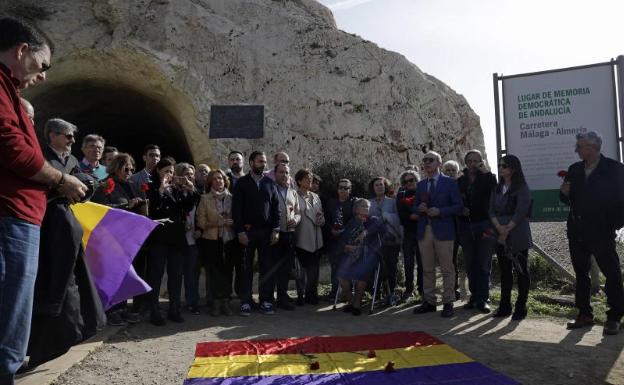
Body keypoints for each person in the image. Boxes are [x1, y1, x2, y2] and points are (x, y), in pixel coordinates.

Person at [0, 17, 86, 384]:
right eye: (43, 64)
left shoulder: (10, 91)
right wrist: (60, 179)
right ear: (22, 51)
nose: (44, 76)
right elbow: (12, 148)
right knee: (10, 306)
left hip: (21, 217)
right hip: (11, 218)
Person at [28, 119, 105, 369]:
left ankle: (69, 334)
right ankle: (40, 346)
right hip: (46, 232)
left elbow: (81, 189)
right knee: (50, 284)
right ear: (52, 136)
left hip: (67, 232)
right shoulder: (39, 158)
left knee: (72, 283)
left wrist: (87, 185)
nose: (73, 141)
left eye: (73, 136)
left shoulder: (70, 162)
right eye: (68, 136)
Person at [561, 131, 624, 335]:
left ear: (592, 147)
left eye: (579, 146)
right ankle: (584, 314)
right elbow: (566, 200)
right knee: (581, 274)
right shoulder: (574, 169)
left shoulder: (614, 169)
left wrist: (613, 225)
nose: (576, 150)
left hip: (602, 232)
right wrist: (563, 194)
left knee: (612, 273)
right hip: (577, 232)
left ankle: (614, 317)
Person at [91, 153, 147, 325]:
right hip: (112, 238)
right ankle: (111, 311)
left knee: (125, 276)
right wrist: (126, 206)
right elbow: (100, 209)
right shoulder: (106, 185)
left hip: (128, 238)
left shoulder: (131, 185)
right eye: (126, 168)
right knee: (114, 275)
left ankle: (122, 309)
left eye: (131, 168)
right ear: (116, 168)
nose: (129, 171)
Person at [145, 157, 198, 325]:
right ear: (158, 171)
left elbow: (187, 207)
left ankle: (173, 309)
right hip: (159, 238)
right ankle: (154, 310)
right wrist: (161, 189)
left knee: (176, 275)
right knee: (156, 275)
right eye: (166, 171)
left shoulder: (176, 189)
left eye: (172, 172)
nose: (170, 175)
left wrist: (191, 190)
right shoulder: (151, 187)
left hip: (176, 238)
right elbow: (153, 208)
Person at [413, 151, 463, 318]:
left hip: (444, 230)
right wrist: (418, 209)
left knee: (447, 268)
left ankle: (448, 302)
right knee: (427, 268)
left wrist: (440, 211)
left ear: (439, 163)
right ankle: (429, 301)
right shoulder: (420, 185)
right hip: (424, 230)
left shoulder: (449, 183)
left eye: (431, 160)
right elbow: (414, 207)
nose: (427, 163)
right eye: (425, 160)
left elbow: (458, 206)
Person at [232, 151, 281, 316]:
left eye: (265, 162)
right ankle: (245, 301)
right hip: (248, 232)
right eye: (260, 161)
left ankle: (265, 300)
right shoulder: (242, 183)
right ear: (251, 163)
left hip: (267, 233)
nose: (264, 164)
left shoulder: (270, 183)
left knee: (266, 267)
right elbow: (236, 210)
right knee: (246, 269)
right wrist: (239, 231)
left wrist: (275, 229)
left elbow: (276, 209)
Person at [489, 154, 532, 321]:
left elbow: (521, 211)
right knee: (505, 271)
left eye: (504, 166)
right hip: (500, 232)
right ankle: (505, 306)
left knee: (521, 270)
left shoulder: (521, 187)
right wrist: (500, 228)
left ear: (513, 168)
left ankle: (521, 306)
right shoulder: (497, 188)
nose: (501, 168)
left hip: (517, 231)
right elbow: (490, 210)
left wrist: (507, 229)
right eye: (499, 165)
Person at [457, 150, 497, 313]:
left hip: (485, 224)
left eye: (476, 161)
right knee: (470, 263)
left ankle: (483, 298)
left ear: (481, 162)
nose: (473, 164)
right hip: (466, 226)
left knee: (483, 262)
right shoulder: (460, 181)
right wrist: (460, 209)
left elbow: (496, 193)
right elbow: (454, 200)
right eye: (470, 161)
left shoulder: (489, 178)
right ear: (466, 162)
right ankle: (474, 296)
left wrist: (486, 172)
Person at [196, 169, 236, 316]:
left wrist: (233, 222)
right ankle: (215, 303)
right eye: (215, 179)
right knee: (214, 273)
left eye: (220, 178)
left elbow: (238, 217)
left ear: (225, 181)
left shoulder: (232, 198)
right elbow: (201, 222)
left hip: (229, 240)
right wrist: (218, 223)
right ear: (210, 182)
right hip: (212, 240)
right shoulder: (205, 199)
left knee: (227, 271)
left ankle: (226, 302)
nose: (218, 181)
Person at [336, 198, 385, 315]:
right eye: (363, 206)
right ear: (356, 209)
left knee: (361, 273)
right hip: (351, 255)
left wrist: (366, 232)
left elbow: (382, 228)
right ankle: (351, 300)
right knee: (341, 275)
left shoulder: (373, 220)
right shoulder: (352, 222)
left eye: (367, 206)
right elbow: (342, 238)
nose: (366, 208)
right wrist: (346, 246)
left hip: (368, 255)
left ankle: (357, 304)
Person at [270, 164, 301, 310]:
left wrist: (296, 219)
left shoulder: (293, 193)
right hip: (273, 234)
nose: (284, 175)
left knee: (285, 268)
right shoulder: (269, 188)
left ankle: (282, 298)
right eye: (281, 172)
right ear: (275, 173)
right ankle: (268, 299)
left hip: (289, 235)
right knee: (270, 267)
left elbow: (298, 212)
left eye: (286, 172)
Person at [369, 177, 402, 306]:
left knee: (391, 267)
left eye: (381, 185)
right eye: (376, 185)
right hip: (374, 241)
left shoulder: (392, 202)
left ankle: (391, 293)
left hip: (391, 240)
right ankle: (377, 294)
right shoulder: (369, 202)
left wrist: (387, 216)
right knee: (377, 268)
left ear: (385, 186)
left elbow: (398, 220)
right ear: (373, 188)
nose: (379, 187)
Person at [175, 163, 202, 315]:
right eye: (186, 174)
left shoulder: (197, 194)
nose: (189, 177)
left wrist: (199, 229)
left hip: (193, 238)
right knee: (178, 273)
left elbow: (202, 214)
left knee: (192, 273)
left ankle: (192, 302)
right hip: (179, 239)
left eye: (191, 174)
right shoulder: (174, 192)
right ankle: (176, 303)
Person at [294, 168, 324, 306]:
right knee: (301, 269)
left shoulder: (316, 197)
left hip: (316, 236)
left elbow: (320, 214)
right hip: (302, 237)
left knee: (314, 269)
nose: (309, 180)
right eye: (306, 178)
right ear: (299, 181)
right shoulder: (294, 195)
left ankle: (311, 294)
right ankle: (300, 295)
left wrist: (321, 220)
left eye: (311, 178)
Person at [324, 179, 357, 299]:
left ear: (350, 190)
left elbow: (355, 220)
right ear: (337, 189)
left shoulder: (354, 203)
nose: (343, 190)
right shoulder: (331, 203)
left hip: (348, 240)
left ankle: (349, 293)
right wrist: (331, 230)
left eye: (346, 188)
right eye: (341, 187)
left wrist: (344, 232)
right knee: (335, 267)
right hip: (334, 240)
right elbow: (326, 219)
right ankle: (335, 293)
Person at [395, 169, 422, 301]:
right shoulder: (401, 194)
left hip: (423, 230)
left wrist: (419, 216)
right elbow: (401, 213)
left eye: (411, 180)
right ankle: (409, 288)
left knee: (423, 261)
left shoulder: (423, 192)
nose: (409, 183)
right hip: (409, 231)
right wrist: (411, 216)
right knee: (408, 261)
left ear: (417, 180)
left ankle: (422, 288)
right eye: (406, 181)